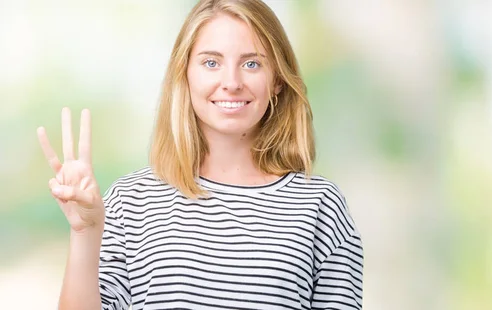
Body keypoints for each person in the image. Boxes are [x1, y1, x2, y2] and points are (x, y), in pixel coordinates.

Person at [37, 0, 363, 309]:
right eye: (211, 62)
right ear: (186, 74)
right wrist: (85, 233)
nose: (231, 82)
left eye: (251, 63)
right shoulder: (131, 201)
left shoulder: (320, 206)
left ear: (277, 79)